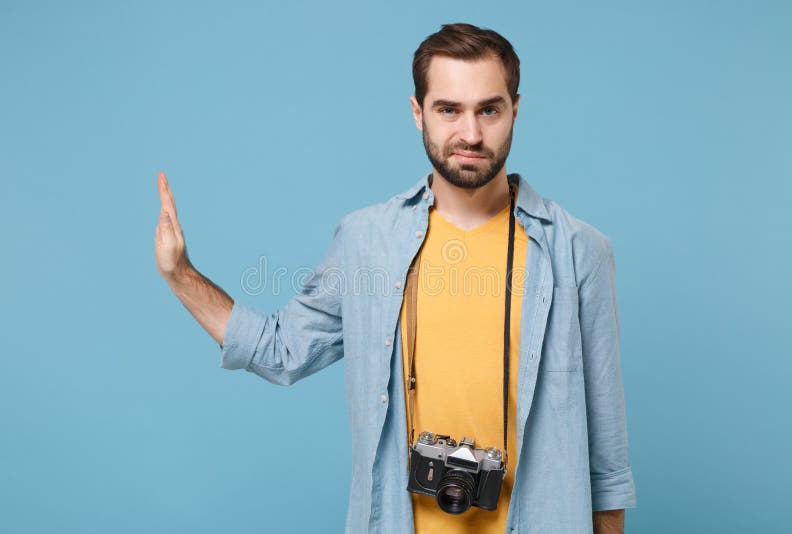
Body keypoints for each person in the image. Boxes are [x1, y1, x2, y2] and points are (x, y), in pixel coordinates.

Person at [155, 22, 636, 534]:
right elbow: (280, 350)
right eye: (448, 109)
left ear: (515, 109)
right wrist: (180, 274)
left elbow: (606, 467)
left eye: (488, 109)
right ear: (417, 113)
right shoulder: (367, 241)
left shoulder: (579, 250)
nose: (470, 134)